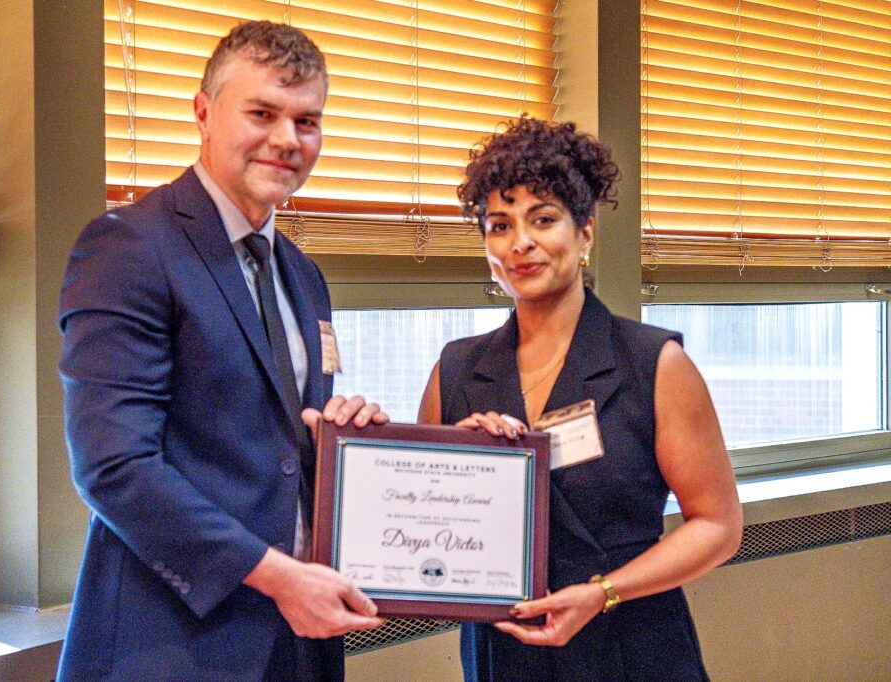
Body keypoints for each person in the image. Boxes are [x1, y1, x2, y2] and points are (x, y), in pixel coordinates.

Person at [57, 21, 386, 681]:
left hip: (299, 644)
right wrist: (277, 578)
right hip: (173, 643)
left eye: (307, 121)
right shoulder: (129, 247)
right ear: (204, 113)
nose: (287, 140)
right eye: (262, 113)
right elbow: (114, 466)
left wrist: (346, 445)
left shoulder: (302, 274)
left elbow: (279, 449)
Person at [418, 117, 743, 681]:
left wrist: (602, 593)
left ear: (585, 231)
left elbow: (718, 526)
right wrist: (458, 466)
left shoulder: (654, 363)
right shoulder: (456, 370)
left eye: (543, 220)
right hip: (506, 651)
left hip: (629, 640)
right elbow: (421, 523)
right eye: (499, 225)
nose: (520, 243)